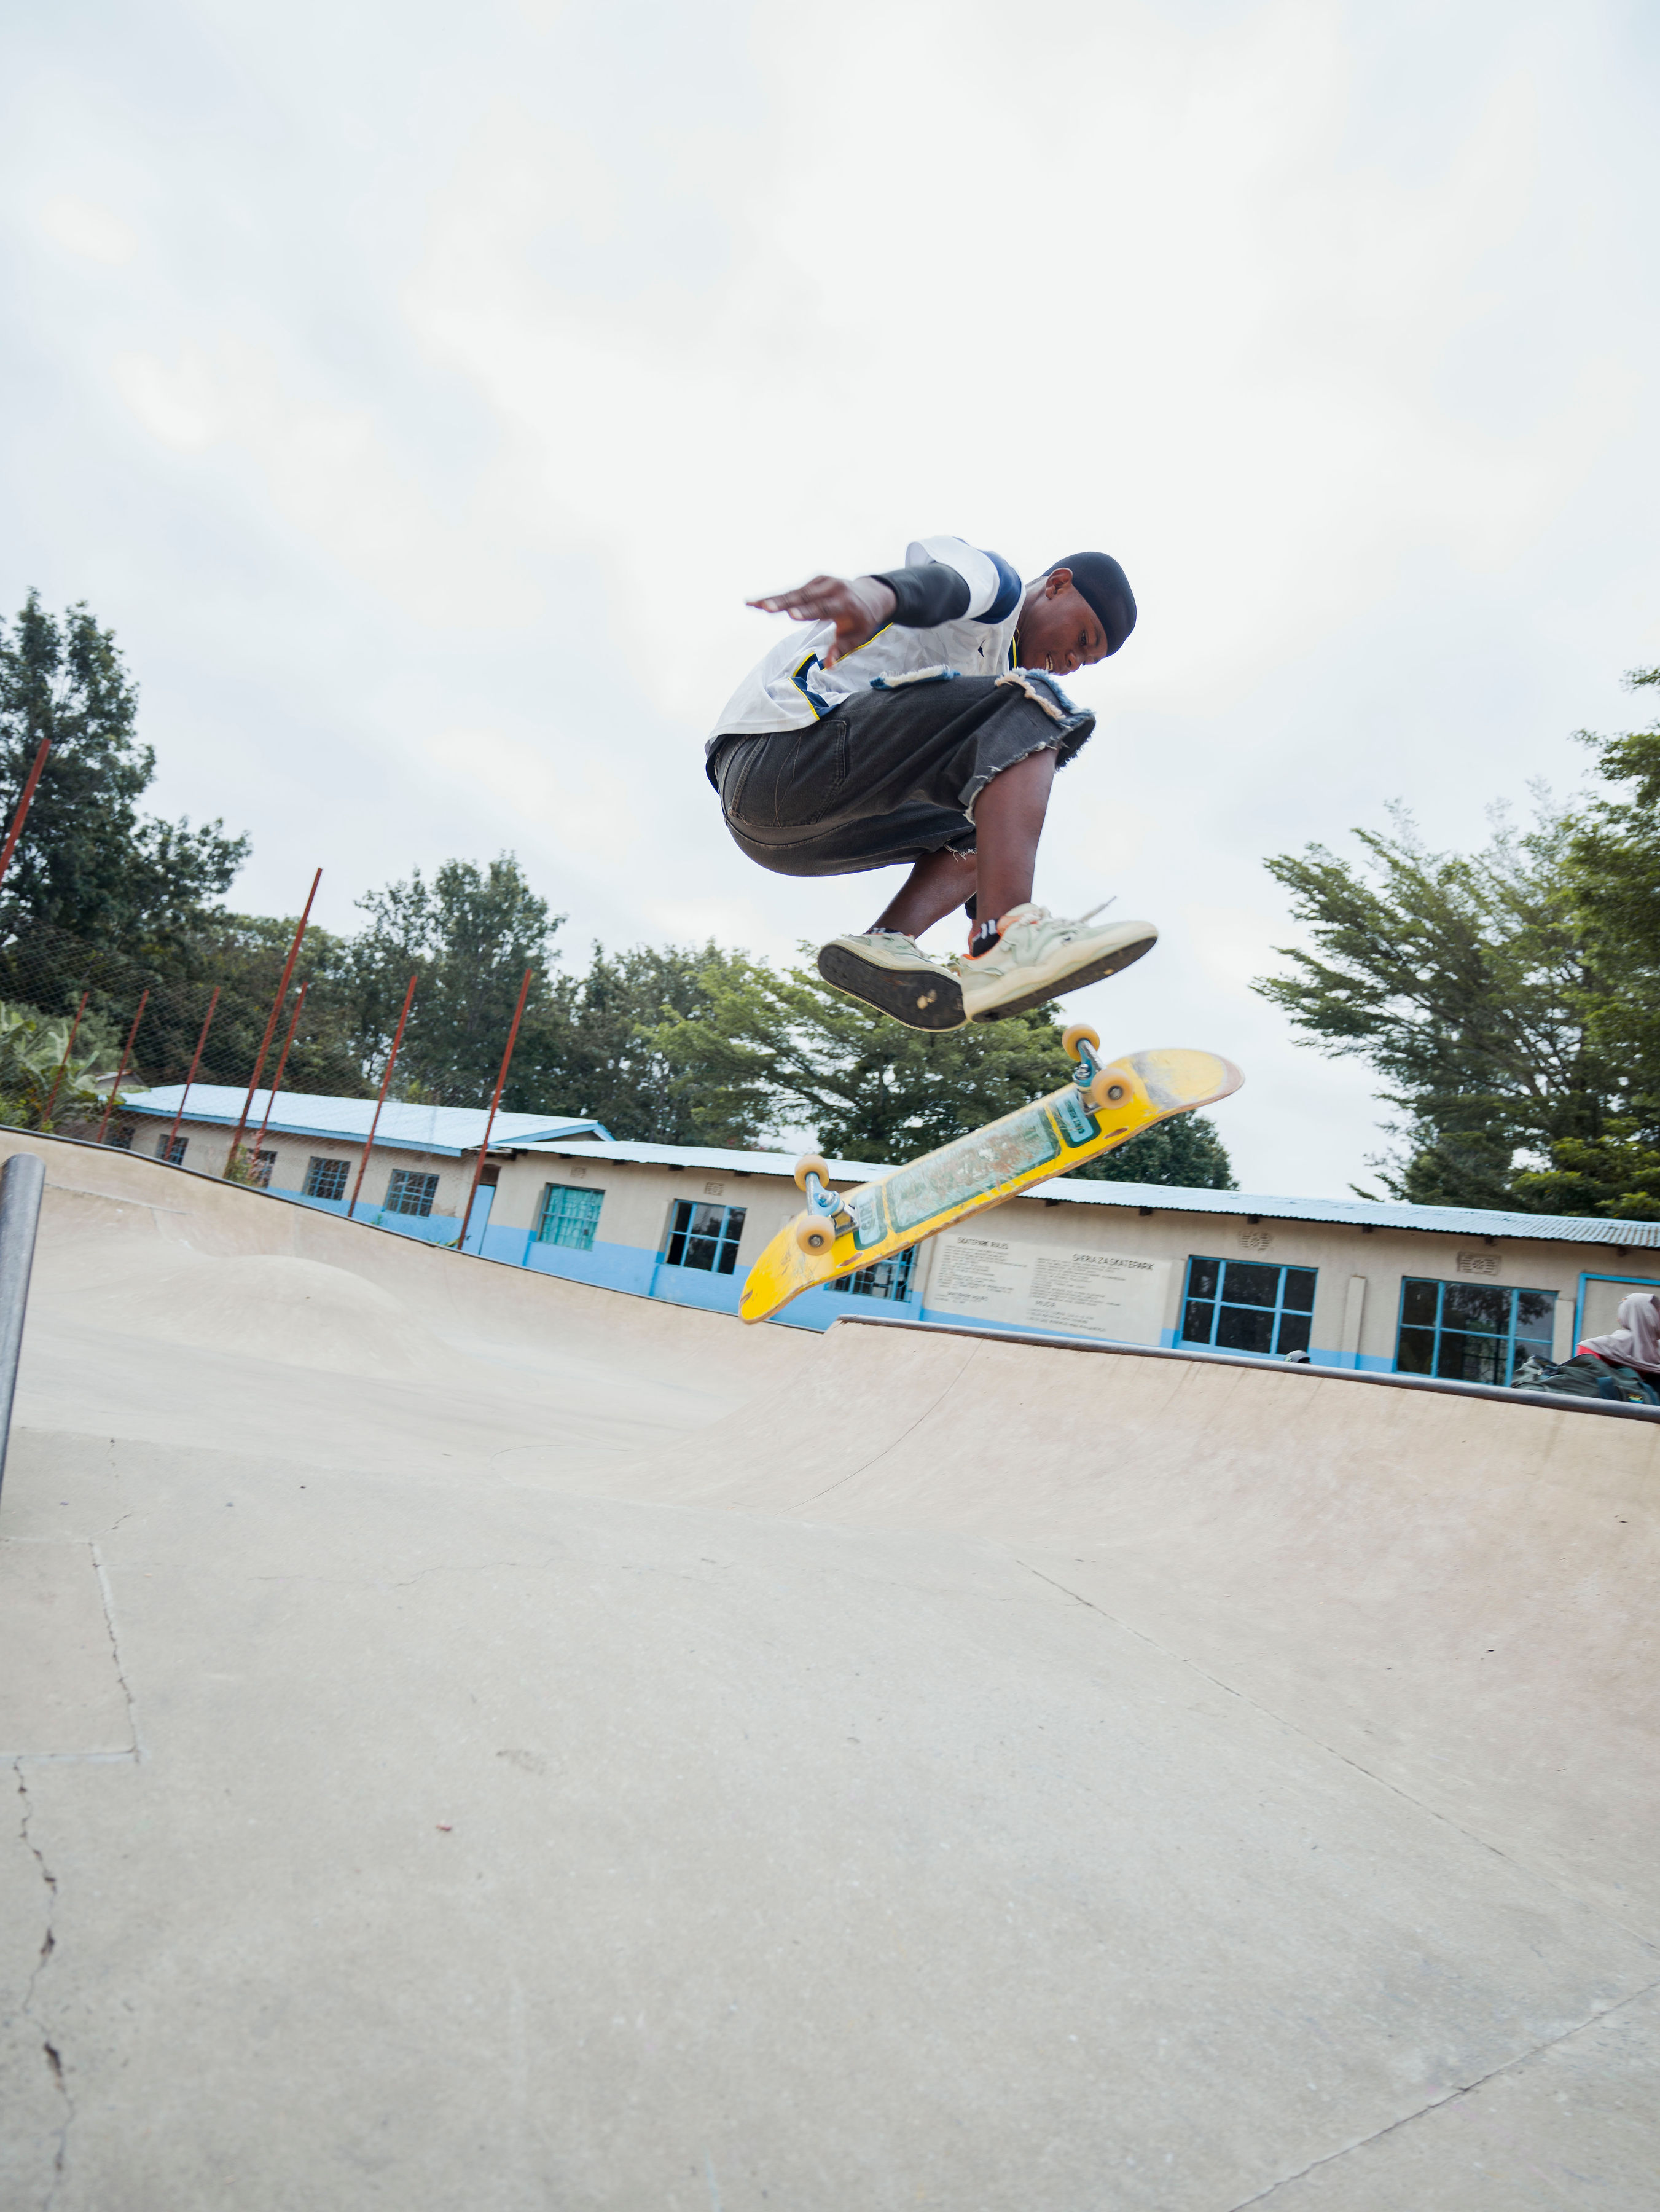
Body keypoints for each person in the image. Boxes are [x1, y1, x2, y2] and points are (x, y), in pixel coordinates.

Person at [704, 535, 1157, 1029]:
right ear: (1057, 586)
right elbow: (946, 583)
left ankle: (893, 944)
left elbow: (998, 841)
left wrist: (1022, 978)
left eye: (1086, 663)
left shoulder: (991, 695)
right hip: (775, 758)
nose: (1073, 662)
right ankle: (1014, 937)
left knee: (988, 816)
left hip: (787, 842)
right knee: (1033, 705)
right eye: (1084, 639)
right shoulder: (999, 593)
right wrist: (878, 594)